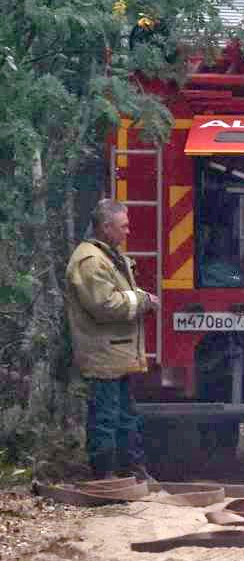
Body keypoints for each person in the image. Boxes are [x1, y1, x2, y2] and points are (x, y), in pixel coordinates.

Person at [66, 200, 160, 479]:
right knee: (106, 420)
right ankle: (105, 478)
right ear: (106, 227)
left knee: (126, 418)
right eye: (124, 226)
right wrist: (143, 300)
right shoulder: (91, 261)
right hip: (103, 356)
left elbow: (116, 293)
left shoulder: (107, 255)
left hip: (115, 356)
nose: (128, 231)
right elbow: (104, 305)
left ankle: (133, 474)